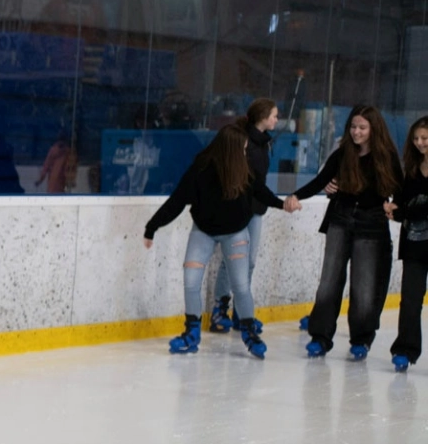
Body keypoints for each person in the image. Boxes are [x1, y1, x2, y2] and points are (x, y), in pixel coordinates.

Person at [143, 124, 294, 359]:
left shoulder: (245, 169)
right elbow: (177, 201)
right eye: (244, 146)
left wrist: (281, 204)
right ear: (232, 148)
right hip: (203, 231)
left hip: (235, 233)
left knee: (240, 285)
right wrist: (152, 227)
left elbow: (260, 191)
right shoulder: (200, 170)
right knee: (191, 281)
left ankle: (249, 332)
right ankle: (191, 333)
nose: (246, 150)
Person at [288, 104, 400, 360]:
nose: (356, 132)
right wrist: (295, 195)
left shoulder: (386, 157)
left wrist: (400, 208)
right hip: (340, 220)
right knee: (329, 282)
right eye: (353, 127)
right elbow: (319, 182)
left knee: (364, 286)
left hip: (372, 226)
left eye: (362, 128)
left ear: (374, 129)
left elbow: (400, 189)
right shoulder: (342, 155)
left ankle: (362, 339)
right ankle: (320, 337)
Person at [209, 98, 281, 333]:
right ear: (263, 117)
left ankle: (242, 312)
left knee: (249, 261)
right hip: (238, 207)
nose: (276, 119)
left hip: (256, 209)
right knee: (232, 260)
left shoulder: (264, 144)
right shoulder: (242, 141)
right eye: (274, 115)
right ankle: (219, 311)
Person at [385, 116, 428, 371]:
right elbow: (402, 203)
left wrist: (408, 212)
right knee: (410, 300)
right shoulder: (410, 170)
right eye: (416, 139)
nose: (420, 143)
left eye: (424, 138)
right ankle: (405, 348)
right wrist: (393, 209)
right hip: (414, 246)